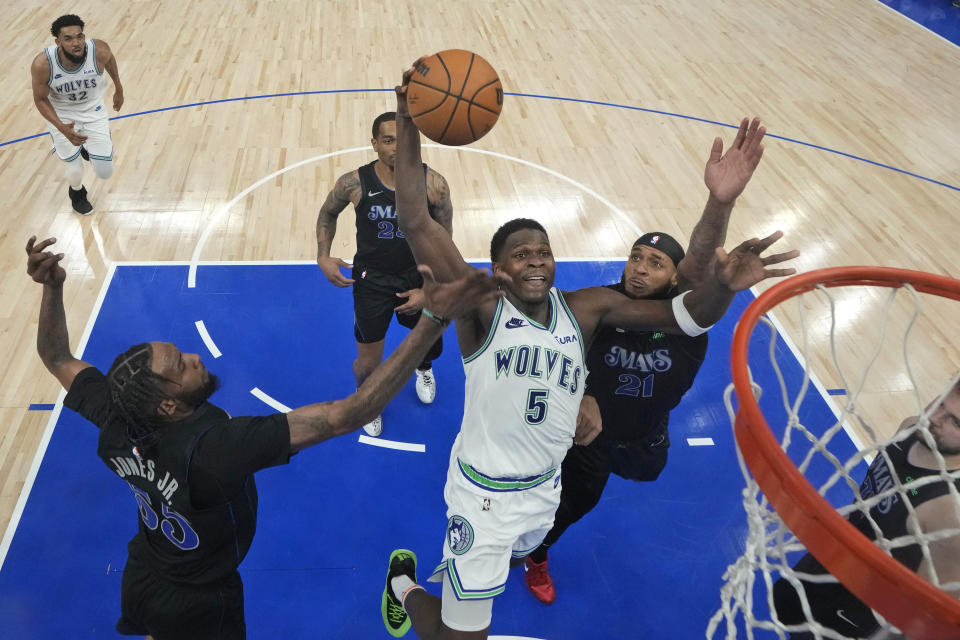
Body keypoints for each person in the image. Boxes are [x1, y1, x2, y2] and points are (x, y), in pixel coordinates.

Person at [379, 63, 799, 640]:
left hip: (546, 489)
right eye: (521, 255)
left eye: (543, 251)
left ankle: (455, 578)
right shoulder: (482, 307)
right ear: (500, 269)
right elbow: (415, 216)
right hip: (483, 496)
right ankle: (403, 587)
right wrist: (408, 119)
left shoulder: (586, 309)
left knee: (497, 571)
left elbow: (686, 315)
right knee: (457, 634)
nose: (535, 261)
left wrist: (724, 284)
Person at [26, 235, 500, 640]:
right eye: (179, 367)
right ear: (168, 406)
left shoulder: (117, 412)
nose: (193, 356)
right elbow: (351, 413)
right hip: (202, 601)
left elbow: (56, 356)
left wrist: (51, 289)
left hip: (146, 572)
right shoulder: (215, 450)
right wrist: (432, 321)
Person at [523, 117, 768, 604]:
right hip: (586, 438)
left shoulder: (686, 315)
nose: (639, 267)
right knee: (570, 506)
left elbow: (700, 261)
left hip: (645, 441)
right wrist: (582, 392)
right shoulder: (600, 301)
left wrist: (720, 202)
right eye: (636, 257)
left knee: (641, 472)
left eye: (655, 263)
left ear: (676, 280)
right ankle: (535, 555)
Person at [772, 379, 960, 639]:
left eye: (956, 422)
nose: (934, 418)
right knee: (784, 607)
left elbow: (930, 613)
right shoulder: (909, 428)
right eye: (940, 403)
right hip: (830, 561)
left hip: (859, 609)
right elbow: (876, 497)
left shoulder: (950, 510)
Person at [316, 111, 454, 437]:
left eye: (403, 141)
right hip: (371, 281)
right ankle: (369, 402)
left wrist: (429, 289)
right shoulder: (354, 182)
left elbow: (445, 242)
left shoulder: (433, 184)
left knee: (427, 346)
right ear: (375, 144)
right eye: (388, 140)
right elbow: (328, 212)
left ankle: (424, 369)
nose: (396, 148)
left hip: (418, 277)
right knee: (366, 363)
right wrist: (323, 256)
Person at [31, 14, 124, 215]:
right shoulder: (43, 64)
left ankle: (88, 149)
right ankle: (77, 193)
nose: (76, 43)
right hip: (63, 115)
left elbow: (110, 60)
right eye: (68, 39)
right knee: (74, 170)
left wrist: (119, 87)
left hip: (93, 110)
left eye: (80, 36)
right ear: (58, 42)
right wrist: (62, 127)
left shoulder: (98, 49)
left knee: (105, 173)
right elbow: (40, 99)